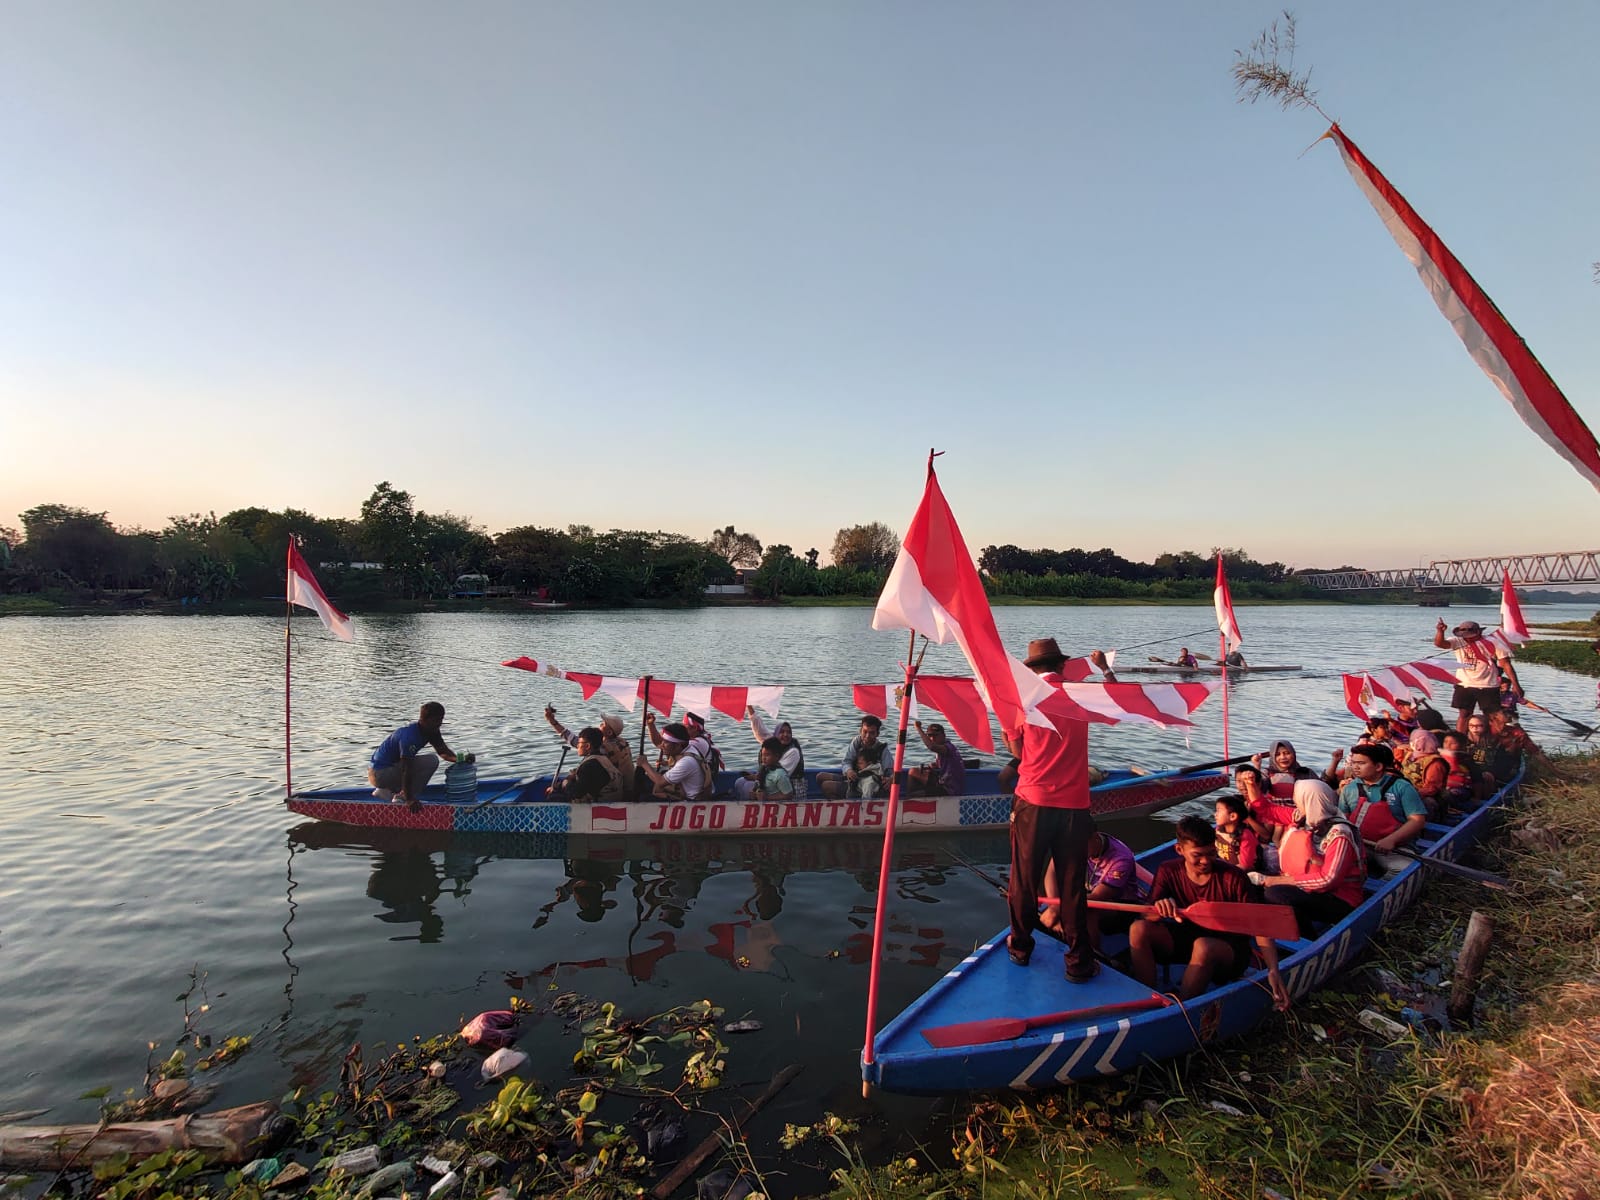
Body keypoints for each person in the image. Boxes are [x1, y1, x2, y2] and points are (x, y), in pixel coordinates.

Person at [1004, 637, 1096, 983]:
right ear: (1060, 666)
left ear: (1032, 670)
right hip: (1075, 804)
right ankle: (1077, 962)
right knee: (1073, 885)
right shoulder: (1079, 696)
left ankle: (1021, 947)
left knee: (1024, 881)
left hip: (1034, 800)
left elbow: (1017, 751)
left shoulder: (1022, 700)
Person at [1127, 817, 1290, 1009]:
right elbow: (1145, 915)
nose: (1205, 861)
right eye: (1197, 855)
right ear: (1180, 850)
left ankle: (1180, 1010)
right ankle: (1148, 1000)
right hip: (1187, 938)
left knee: (1203, 946)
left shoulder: (1233, 877)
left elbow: (1259, 926)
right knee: (1138, 929)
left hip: (1228, 950)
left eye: (1211, 853)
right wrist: (1159, 910)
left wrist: (1273, 969)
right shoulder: (1168, 870)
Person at [1250, 780, 1366, 938]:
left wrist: (1273, 880)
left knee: (1275, 893)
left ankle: (1307, 937)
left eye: (1298, 799)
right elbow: (1268, 810)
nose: (1296, 803)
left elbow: (1328, 879)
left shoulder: (1340, 834)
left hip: (1339, 899)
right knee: (1250, 884)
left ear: (1309, 801)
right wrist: (1251, 785)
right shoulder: (1303, 817)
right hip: (1304, 889)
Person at [1435, 618, 1524, 732]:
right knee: (1464, 714)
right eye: (1465, 635)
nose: (1468, 637)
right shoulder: (1458, 641)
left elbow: (1506, 664)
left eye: (1470, 635)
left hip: (1488, 684)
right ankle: (1461, 740)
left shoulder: (1493, 642)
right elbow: (1440, 644)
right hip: (1464, 683)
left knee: (1493, 715)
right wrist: (1440, 631)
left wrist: (1516, 685)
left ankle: (1494, 740)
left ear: (1479, 633)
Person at [1336, 743, 1427, 851]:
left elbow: (1417, 821)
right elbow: (1342, 819)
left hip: (1395, 848)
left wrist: (1391, 840)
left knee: (1400, 868)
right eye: (1353, 763)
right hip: (1357, 845)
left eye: (1361, 763)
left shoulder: (1402, 787)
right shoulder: (1349, 788)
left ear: (1378, 766)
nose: (1355, 767)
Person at [368, 701, 459, 810]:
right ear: (425, 720)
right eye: (437, 720)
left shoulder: (432, 730)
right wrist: (409, 798)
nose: (440, 723)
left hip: (388, 770)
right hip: (379, 774)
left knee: (430, 760)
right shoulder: (409, 736)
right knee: (430, 761)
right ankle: (403, 797)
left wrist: (460, 760)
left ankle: (385, 791)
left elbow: (443, 751)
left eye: (441, 719)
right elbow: (406, 769)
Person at [545, 706, 634, 793]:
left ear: (609, 732)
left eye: (603, 724)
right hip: (627, 785)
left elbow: (574, 740)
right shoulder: (621, 742)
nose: (599, 725)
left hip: (622, 791)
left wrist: (553, 722)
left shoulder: (604, 749)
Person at [817, 715, 894, 800]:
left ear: (877, 734)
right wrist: (849, 771)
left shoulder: (882, 750)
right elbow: (847, 761)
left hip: (867, 786)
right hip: (855, 777)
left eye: (872, 733)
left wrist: (890, 779)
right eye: (865, 732)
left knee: (826, 786)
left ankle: (846, 807)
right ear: (860, 731)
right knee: (820, 776)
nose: (867, 736)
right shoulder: (857, 742)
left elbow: (891, 772)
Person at [636, 722, 712, 801]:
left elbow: (660, 781)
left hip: (690, 801)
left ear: (678, 745)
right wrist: (650, 725)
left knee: (642, 797)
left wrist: (644, 764)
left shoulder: (687, 761)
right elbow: (658, 742)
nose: (662, 745)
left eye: (665, 742)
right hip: (684, 792)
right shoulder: (689, 748)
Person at [742, 706, 805, 800]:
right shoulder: (774, 743)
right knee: (740, 782)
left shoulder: (793, 752)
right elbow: (760, 730)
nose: (785, 735)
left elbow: (780, 775)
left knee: (748, 787)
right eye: (782, 732)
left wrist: (756, 777)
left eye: (788, 732)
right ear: (776, 734)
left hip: (788, 789)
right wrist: (749, 707)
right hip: (772, 781)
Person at [551, 726, 627, 804]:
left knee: (554, 797)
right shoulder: (602, 758)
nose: (577, 746)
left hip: (601, 806)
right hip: (614, 801)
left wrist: (564, 783)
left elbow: (576, 794)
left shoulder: (589, 766)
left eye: (579, 743)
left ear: (587, 746)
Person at [908, 720, 966, 797]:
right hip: (941, 781)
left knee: (914, 795)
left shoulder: (948, 747)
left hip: (949, 789)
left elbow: (932, 746)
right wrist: (936, 765)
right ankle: (915, 795)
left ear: (944, 735)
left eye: (936, 735)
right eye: (930, 736)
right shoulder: (941, 750)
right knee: (913, 771)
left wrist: (918, 728)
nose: (932, 738)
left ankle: (913, 798)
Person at [1399, 729, 1448, 815]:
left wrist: (1408, 795)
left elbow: (1431, 788)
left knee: (1427, 803)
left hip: (1425, 797)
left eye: (1414, 740)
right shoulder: (1409, 755)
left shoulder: (1435, 763)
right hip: (1405, 791)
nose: (1411, 742)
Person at [1213, 793, 1259, 871]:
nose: (1215, 814)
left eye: (1219, 811)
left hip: (1239, 872)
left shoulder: (1245, 836)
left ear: (1232, 816)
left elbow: (1245, 866)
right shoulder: (1218, 830)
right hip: (1225, 865)